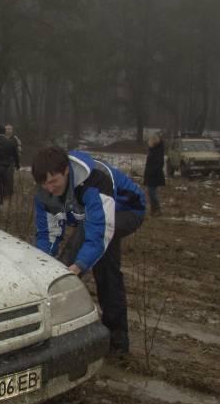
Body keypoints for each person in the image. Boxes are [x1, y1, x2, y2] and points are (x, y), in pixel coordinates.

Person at [32, 147, 145, 354]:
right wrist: (43, 264)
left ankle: (117, 343)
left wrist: (76, 267)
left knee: (104, 268)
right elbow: (48, 233)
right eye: (44, 184)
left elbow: (98, 233)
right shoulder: (45, 193)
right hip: (90, 215)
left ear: (66, 170)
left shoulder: (96, 180)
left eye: (54, 181)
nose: (49, 188)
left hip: (127, 209)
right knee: (79, 252)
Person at [143, 132, 165, 216]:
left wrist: (152, 171)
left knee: (152, 193)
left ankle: (157, 209)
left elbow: (159, 163)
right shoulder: (153, 149)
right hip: (151, 174)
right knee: (150, 192)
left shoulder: (158, 150)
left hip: (154, 175)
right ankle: (153, 210)